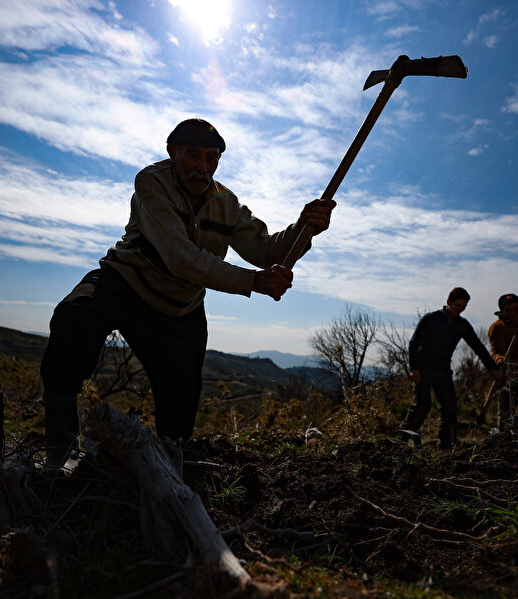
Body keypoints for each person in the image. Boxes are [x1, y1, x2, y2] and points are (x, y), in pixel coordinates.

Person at [39, 118, 335, 474]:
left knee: (178, 414)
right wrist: (254, 281)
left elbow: (267, 251)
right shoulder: (151, 182)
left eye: (212, 158)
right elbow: (180, 258)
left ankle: (167, 467)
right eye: (193, 154)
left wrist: (305, 228)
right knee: (74, 317)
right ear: (172, 152)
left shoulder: (226, 203)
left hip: (180, 310)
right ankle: (61, 450)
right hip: (122, 283)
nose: (203, 166)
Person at [400, 287, 504, 449]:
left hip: (443, 371)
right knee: (422, 406)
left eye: (464, 307)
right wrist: (413, 368)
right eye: (458, 305)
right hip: (423, 368)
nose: (460, 309)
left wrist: (493, 369)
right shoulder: (431, 319)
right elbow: (414, 344)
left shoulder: (462, 325)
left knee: (450, 409)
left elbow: (478, 347)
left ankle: (447, 447)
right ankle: (399, 443)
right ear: (449, 302)